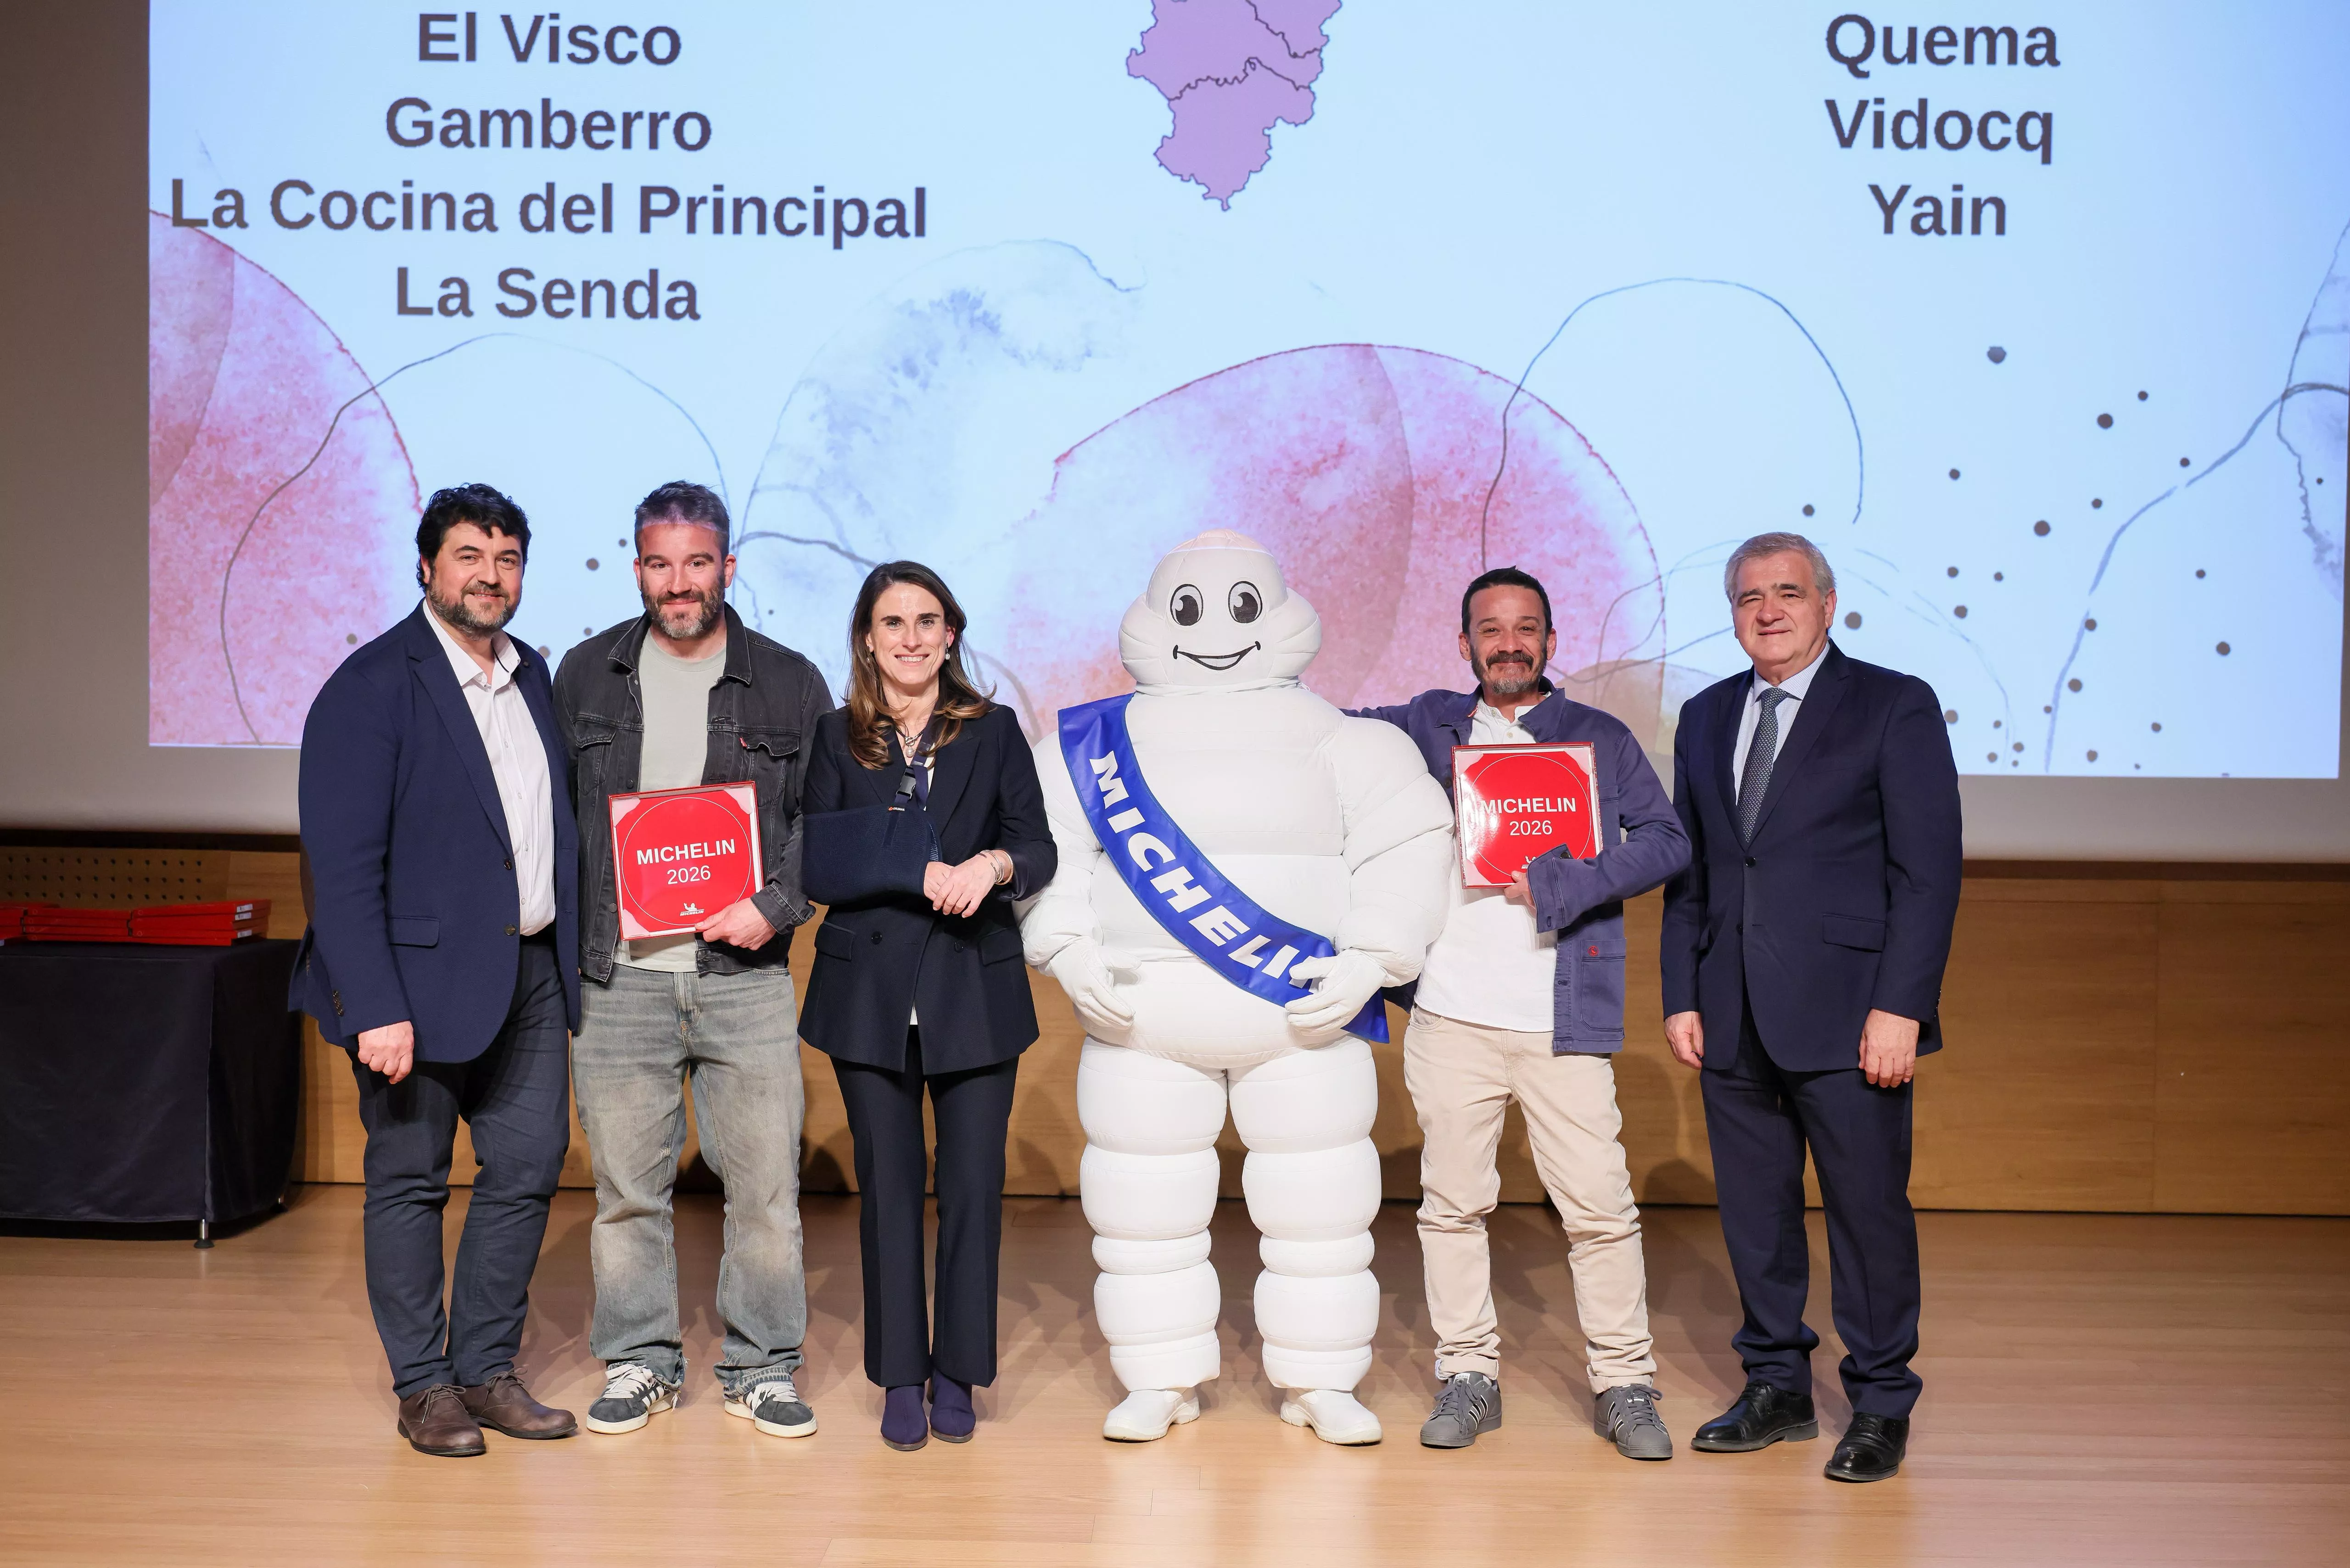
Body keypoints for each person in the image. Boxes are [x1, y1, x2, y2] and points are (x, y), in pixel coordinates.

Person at [1021, 530, 1455, 1448]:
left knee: (1324, 1214)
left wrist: (1372, 959)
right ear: (1152, 615)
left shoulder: (1348, 741)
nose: (1215, 627)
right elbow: (1041, 849)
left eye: (1240, 605)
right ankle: (1158, 1375)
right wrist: (1066, 949)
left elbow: (1409, 845)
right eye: (1190, 607)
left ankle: (1323, 1378)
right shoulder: (1088, 744)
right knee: (1142, 1217)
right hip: (1143, 1018)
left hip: (1301, 1017)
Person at [1349, 566, 1691, 1456]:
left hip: (1560, 1014)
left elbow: (1666, 840)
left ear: (1551, 639)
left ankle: (1625, 1383)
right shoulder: (1427, 723)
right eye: (1489, 628)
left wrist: (1557, 879)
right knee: (1451, 1207)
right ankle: (1468, 1374)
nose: (1509, 641)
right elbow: (1325, 733)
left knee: (1598, 1210)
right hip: (1450, 1016)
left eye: (1525, 626)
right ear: (1464, 644)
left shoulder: (1601, 738)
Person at [1659, 532, 1962, 1484]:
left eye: (1788, 591)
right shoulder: (1706, 715)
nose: (1768, 609)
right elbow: (1697, 873)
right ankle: (1776, 1387)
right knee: (1755, 1213)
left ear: (1828, 605)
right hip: (1730, 1008)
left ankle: (1878, 1401)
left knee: (1867, 1213)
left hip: (1851, 1013)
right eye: (1749, 595)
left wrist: (1900, 1008)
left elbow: (1927, 872)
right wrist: (1681, 993)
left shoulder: (1892, 703)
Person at [292, 483, 581, 1458]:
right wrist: (373, 1003)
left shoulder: (530, 673)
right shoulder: (372, 685)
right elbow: (339, 866)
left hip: (528, 972)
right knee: (410, 1180)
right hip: (410, 990)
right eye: (468, 556)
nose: (489, 575)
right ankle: (424, 1388)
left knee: (530, 1167)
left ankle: (486, 1369)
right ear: (427, 567)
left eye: (505, 559)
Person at [552, 481, 835, 1440]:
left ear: (728, 565)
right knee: (629, 1195)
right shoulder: (584, 675)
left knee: (764, 1193)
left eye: (698, 562)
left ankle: (761, 1366)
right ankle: (640, 1362)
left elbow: (820, 828)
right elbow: (558, 827)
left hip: (743, 982)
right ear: (638, 568)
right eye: (660, 563)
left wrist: (774, 905)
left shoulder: (791, 681)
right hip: (619, 975)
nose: (680, 583)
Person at [798, 561, 1056, 1451]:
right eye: (891, 622)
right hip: (866, 998)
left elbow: (1036, 844)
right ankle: (900, 1376)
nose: (909, 637)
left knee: (974, 1193)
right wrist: (916, 871)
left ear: (951, 632)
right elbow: (820, 863)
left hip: (972, 991)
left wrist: (991, 867)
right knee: (890, 1195)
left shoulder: (994, 734)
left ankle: (958, 1373)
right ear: (867, 639)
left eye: (926, 619)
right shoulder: (835, 737)